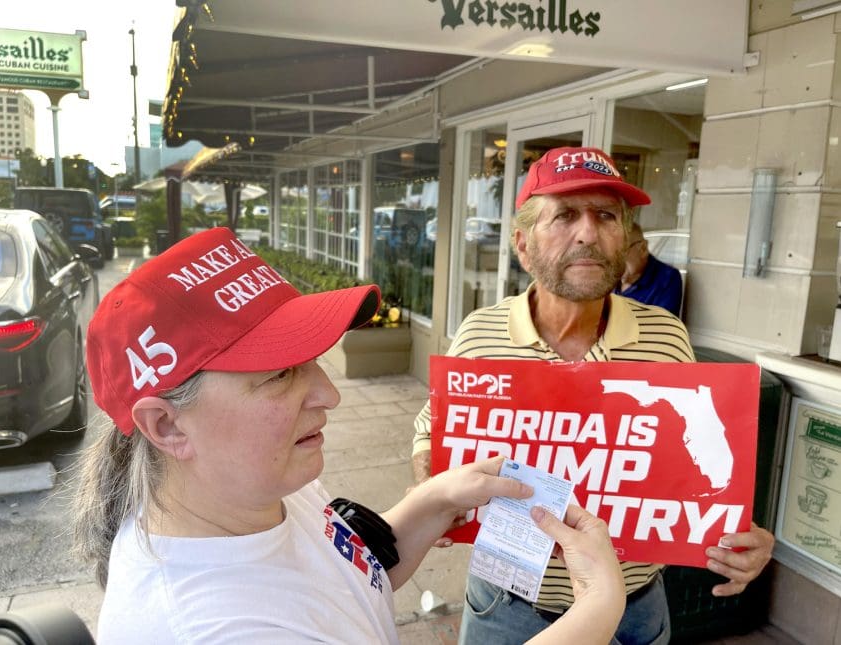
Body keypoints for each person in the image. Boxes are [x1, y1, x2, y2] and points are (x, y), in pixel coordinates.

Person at [71, 226, 627, 644]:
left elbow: (350, 577)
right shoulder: (213, 629)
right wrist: (597, 611)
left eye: (312, 361)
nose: (328, 394)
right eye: (280, 375)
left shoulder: (251, 492)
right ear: (167, 425)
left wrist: (434, 501)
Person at [410, 146, 775, 645]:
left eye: (606, 215)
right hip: (507, 603)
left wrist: (732, 529)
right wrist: (429, 484)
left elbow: (683, 459)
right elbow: (431, 429)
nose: (588, 232)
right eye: (564, 215)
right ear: (522, 245)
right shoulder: (480, 335)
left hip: (632, 607)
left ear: (625, 237)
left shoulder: (666, 337)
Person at [614, 222, 683, 316]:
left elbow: (661, 323)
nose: (615, 260)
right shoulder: (609, 277)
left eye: (621, 252)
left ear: (643, 248)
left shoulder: (666, 279)